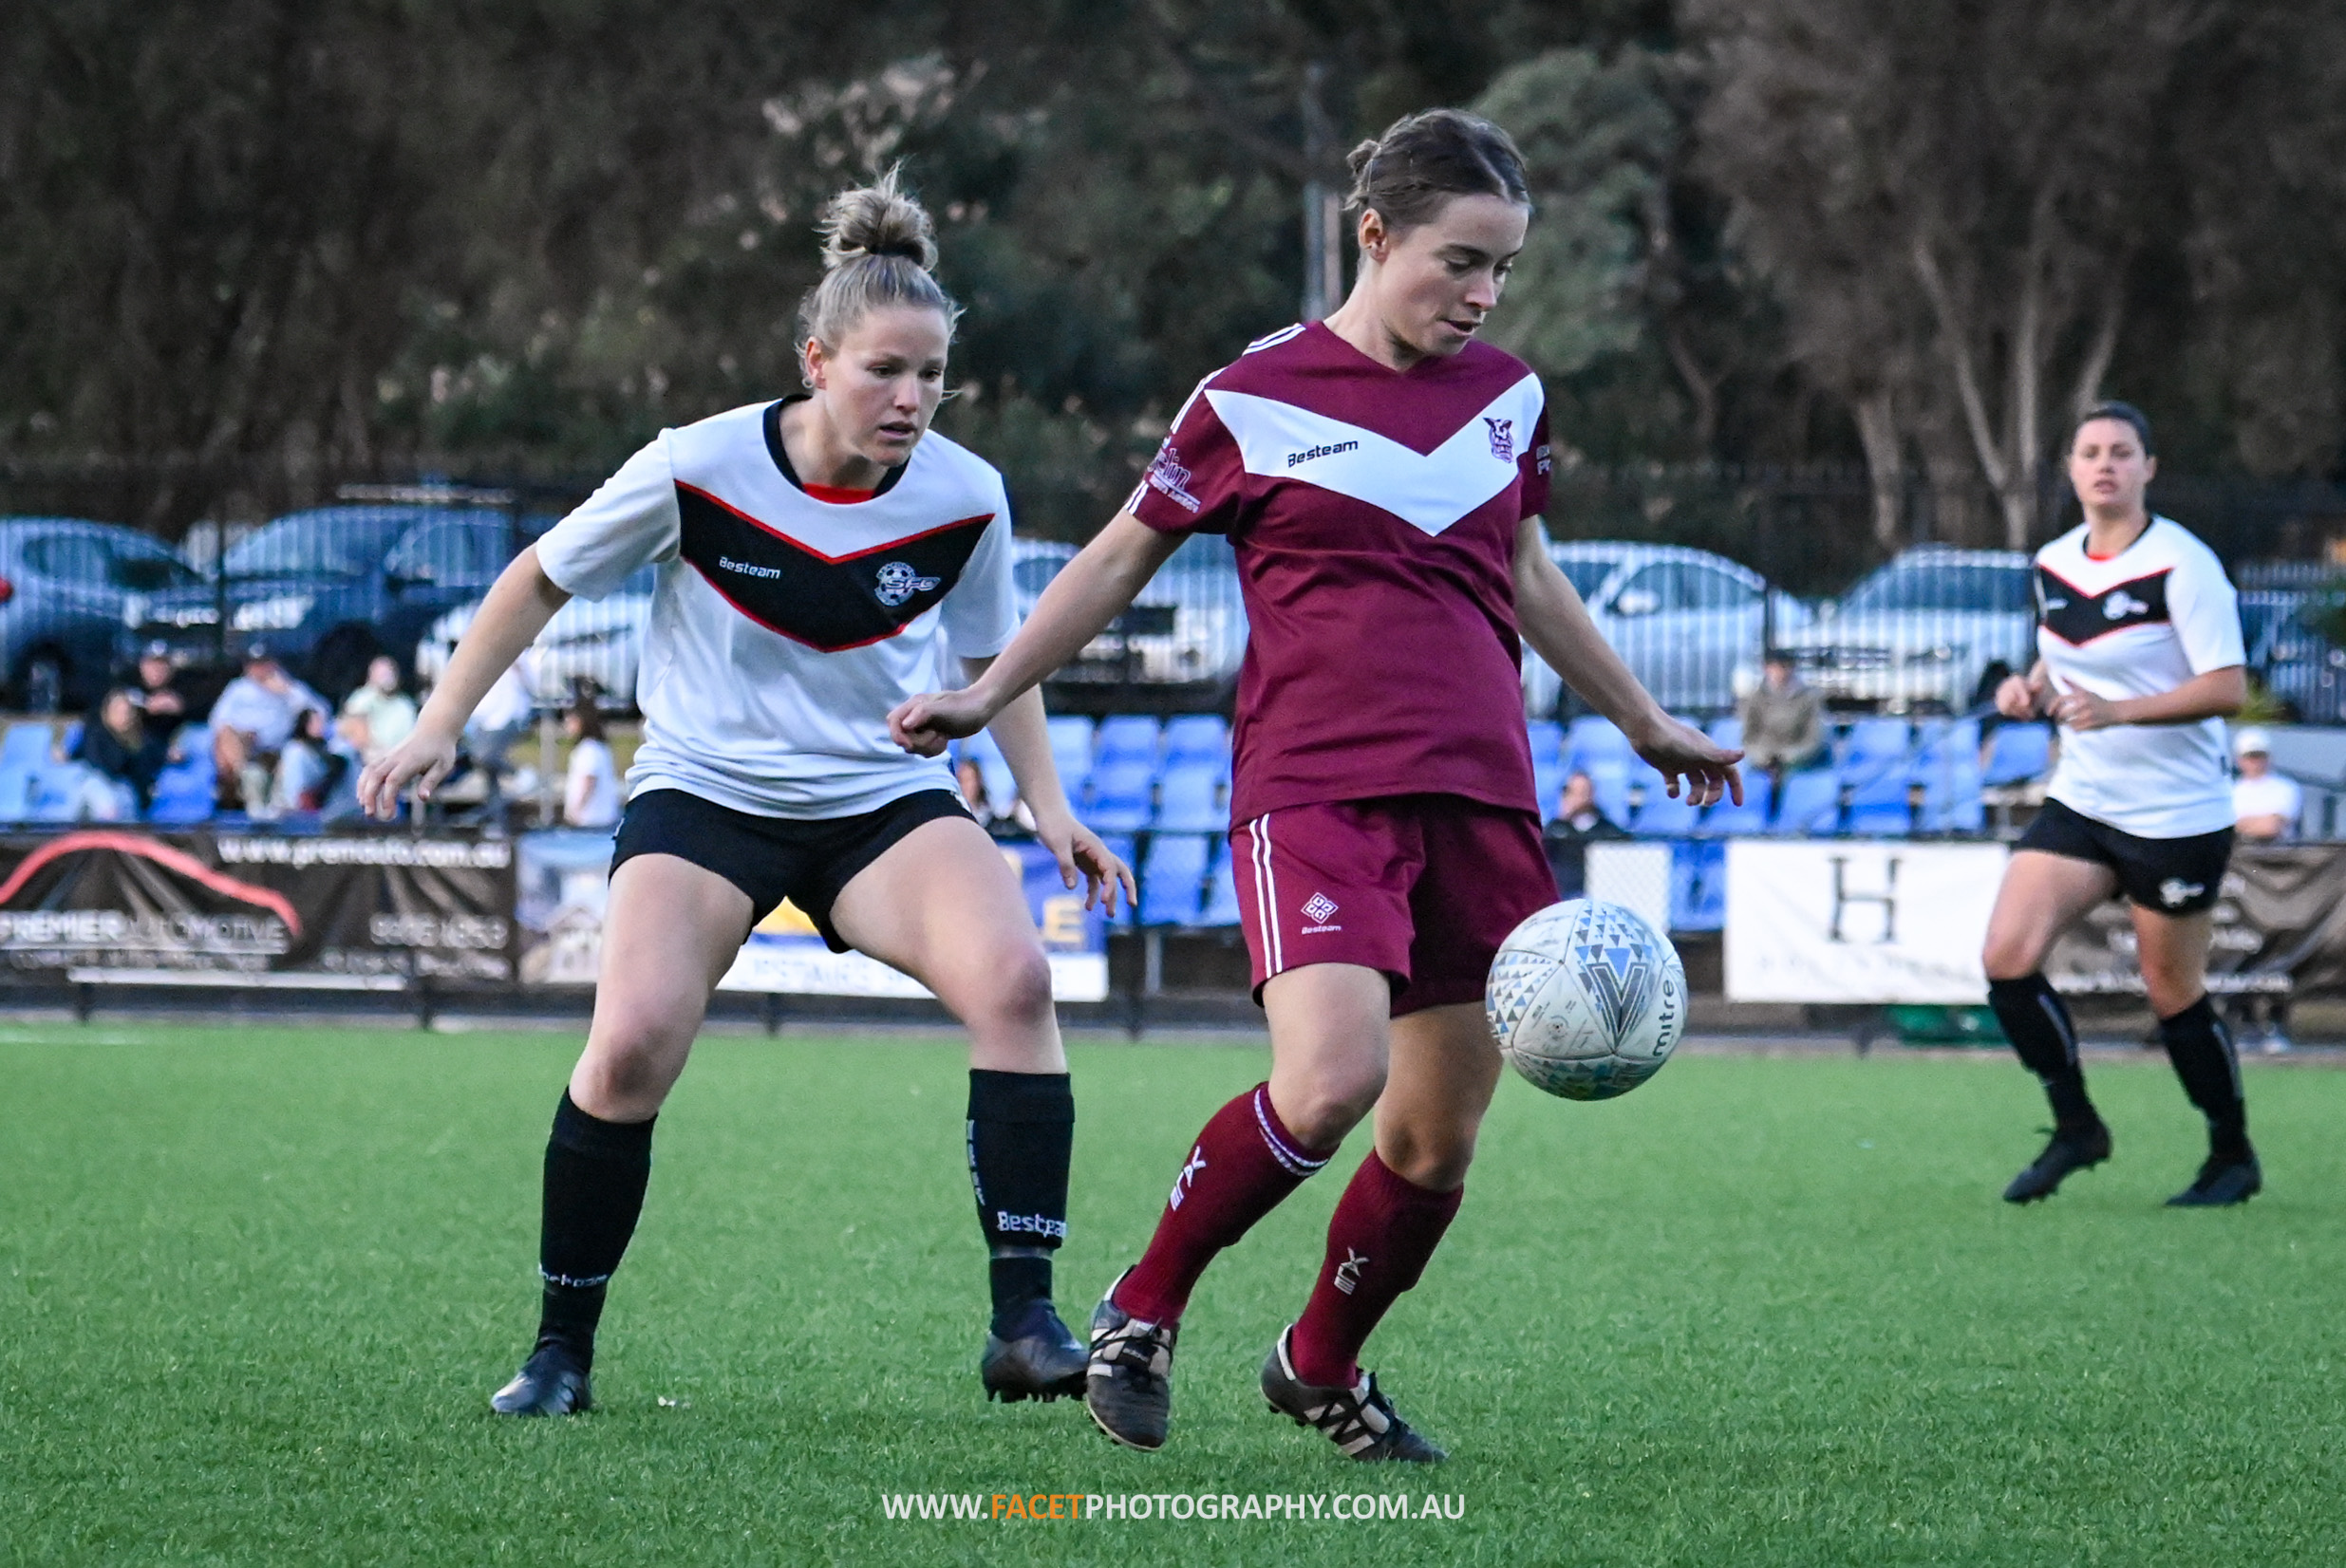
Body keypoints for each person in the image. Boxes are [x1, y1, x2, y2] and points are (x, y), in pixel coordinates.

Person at [891, 109, 1738, 1463]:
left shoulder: (1506, 397)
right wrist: (987, 697)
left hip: (1481, 800)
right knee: (1330, 1078)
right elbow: (1116, 561)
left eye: (1502, 271)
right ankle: (1141, 1305)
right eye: (1459, 261)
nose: (1481, 296)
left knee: (1433, 1140)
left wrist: (1641, 721)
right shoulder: (1247, 400)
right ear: (1372, 235)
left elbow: (1525, 573)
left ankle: (1317, 1364)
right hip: (1315, 793)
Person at [360, 169, 1133, 1419]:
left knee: (1016, 983)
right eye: (884, 369)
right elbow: (536, 581)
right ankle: (560, 1350)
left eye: (932, 375)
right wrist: (441, 722)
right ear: (814, 359)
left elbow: (999, 665)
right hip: (704, 795)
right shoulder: (694, 465)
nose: (911, 398)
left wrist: (1047, 806)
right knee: (629, 1049)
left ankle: (1022, 1323)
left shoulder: (966, 493)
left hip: (880, 799)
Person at [1980, 401, 2257, 1208]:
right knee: (2005, 956)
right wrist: (2026, 687)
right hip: (2086, 799)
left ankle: (2231, 1154)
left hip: (2176, 814)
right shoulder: (2052, 561)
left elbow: (2228, 687)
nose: (2104, 464)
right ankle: (2076, 1128)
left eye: (2121, 452)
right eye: (2090, 451)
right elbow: (2057, 652)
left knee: (2169, 987)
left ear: (2148, 468)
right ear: (2069, 469)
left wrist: (2117, 711)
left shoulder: (2184, 564)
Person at [207, 644, 328, 812]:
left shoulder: (288, 686)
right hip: (247, 751)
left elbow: (321, 712)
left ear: (273, 663)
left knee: (294, 753)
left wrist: (288, 691)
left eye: (262, 663)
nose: (257, 669)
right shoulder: (238, 689)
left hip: (282, 751)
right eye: (253, 664)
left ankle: (286, 814)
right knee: (230, 741)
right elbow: (216, 721)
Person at [71, 686, 169, 815]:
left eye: (127, 711)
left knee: (126, 799)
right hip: (99, 784)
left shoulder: (142, 739)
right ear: (107, 712)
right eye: (118, 711)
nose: (124, 716)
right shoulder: (95, 734)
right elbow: (103, 766)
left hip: (126, 790)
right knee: (100, 793)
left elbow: (145, 771)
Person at [1737, 651, 1824, 782]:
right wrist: (1763, 757)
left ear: (1792, 669)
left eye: (1783, 667)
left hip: (1797, 762)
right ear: (1766, 669)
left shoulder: (1809, 699)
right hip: (1762, 762)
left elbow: (1814, 738)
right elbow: (1748, 738)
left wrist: (1787, 757)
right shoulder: (1755, 698)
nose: (1778, 673)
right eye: (1773, 668)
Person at [1541, 770, 1628, 899]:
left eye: (1583, 792)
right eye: (1572, 792)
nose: (1578, 798)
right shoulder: (1555, 829)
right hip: (1562, 895)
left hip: (1598, 896)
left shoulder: (1607, 830)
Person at [339, 656, 418, 765]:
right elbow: (349, 730)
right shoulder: (363, 698)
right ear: (371, 676)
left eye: (390, 672)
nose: (387, 678)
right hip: (367, 759)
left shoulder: (406, 705)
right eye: (382, 674)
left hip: (402, 760)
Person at [560, 694, 623, 829]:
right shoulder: (599, 747)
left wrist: (575, 811)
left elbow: (588, 781)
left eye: (570, 719)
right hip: (601, 819)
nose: (566, 723)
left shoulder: (589, 749)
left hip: (591, 821)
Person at [2229, 728, 2299, 841]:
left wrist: (2240, 825)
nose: (2255, 762)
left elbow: (2271, 828)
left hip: (2279, 855)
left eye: (2260, 756)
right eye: (2250, 756)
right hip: (2238, 853)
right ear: (2239, 760)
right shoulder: (2231, 790)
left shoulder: (2286, 788)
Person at [133, 643, 190, 739]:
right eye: (152, 664)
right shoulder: (130, 685)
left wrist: (180, 706)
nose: (157, 669)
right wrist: (148, 704)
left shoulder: (183, 688)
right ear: (142, 665)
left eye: (163, 664)